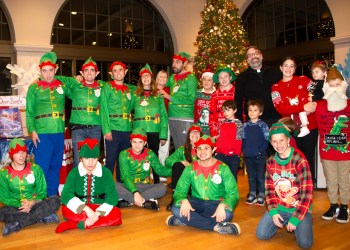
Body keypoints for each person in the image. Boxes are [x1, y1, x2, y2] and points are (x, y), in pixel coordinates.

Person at [166, 135, 241, 236]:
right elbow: (179, 191)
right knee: (175, 208)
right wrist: (183, 200)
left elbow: (233, 193)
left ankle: (186, 220)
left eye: (206, 148)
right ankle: (216, 226)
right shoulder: (190, 168)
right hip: (196, 202)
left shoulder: (223, 168)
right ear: (196, 150)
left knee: (227, 214)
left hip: (216, 203)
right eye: (199, 149)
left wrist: (223, 204)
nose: (202, 152)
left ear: (213, 149)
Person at [256, 123, 313, 249]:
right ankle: (284, 220)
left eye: (282, 140)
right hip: (280, 206)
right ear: (271, 143)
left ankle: (302, 220)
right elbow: (269, 190)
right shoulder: (271, 161)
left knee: (305, 244)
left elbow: (307, 194)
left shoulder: (299, 160)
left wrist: (296, 218)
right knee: (261, 234)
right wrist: (273, 211)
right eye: (274, 141)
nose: (278, 144)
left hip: (300, 207)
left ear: (288, 140)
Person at [56, 138, 122, 233]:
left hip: (99, 207)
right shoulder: (74, 173)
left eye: (94, 158)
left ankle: (77, 224)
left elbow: (113, 196)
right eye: (87, 158)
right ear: (81, 158)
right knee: (65, 210)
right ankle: (93, 222)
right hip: (81, 208)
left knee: (116, 213)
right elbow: (66, 194)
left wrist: (97, 214)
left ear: (98, 158)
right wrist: (86, 209)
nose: (90, 162)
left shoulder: (105, 172)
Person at [26, 52, 69, 196]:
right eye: (44, 71)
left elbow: (77, 88)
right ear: (40, 71)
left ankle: (51, 197)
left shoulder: (62, 85)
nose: (48, 74)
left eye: (51, 70)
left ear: (56, 70)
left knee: (55, 166)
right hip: (42, 132)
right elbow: (29, 112)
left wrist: (79, 78)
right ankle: (39, 197)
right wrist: (32, 130)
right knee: (41, 167)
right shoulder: (34, 88)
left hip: (58, 131)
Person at [271, 57, 318, 185]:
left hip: (310, 127)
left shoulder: (304, 80)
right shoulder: (275, 88)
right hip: (290, 129)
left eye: (292, 66)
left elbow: (316, 94)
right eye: (285, 65)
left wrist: (312, 105)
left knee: (308, 158)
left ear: (295, 68)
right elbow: (281, 109)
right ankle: (294, 186)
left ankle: (308, 186)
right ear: (281, 68)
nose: (288, 69)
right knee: (292, 158)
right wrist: (303, 107)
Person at [0, 139, 60, 236]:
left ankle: (17, 223)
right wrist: (21, 204)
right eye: (17, 152)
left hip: (35, 204)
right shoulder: (3, 174)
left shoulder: (36, 169)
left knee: (55, 200)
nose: (21, 155)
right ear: (11, 154)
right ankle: (41, 217)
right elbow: (4, 197)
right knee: (2, 212)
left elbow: (42, 192)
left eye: (23, 151)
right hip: (16, 207)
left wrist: (32, 202)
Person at [315, 67, 350, 223]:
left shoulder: (349, 104)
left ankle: (344, 206)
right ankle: (333, 205)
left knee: (344, 179)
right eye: (332, 85)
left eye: (337, 85)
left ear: (342, 86)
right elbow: (320, 127)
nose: (335, 89)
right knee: (331, 179)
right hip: (328, 150)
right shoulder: (321, 106)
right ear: (326, 87)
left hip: (346, 150)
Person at [57, 57, 103, 168]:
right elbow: (60, 79)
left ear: (97, 73)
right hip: (78, 129)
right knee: (78, 159)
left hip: (96, 128)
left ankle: (93, 184)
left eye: (92, 70)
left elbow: (119, 86)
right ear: (81, 73)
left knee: (93, 158)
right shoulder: (76, 84)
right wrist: (40, 79)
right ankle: (78, 184)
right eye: (86, 70)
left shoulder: (102, 87)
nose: (89, 73)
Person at [116, 128, 171, 211]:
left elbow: (160, 170)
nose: (137, 145)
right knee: (112, 185)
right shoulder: (123, 154)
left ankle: (129, 201)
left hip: (145, 186)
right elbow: (125, 176)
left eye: (140, 142)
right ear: (130, 142)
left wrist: (175, 170)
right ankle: (143, 202)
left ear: (145, 143)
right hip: (128, 186)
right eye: (134, 142)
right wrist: (135, 192)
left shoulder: (150, 153)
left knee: (163, 187)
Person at [132, 64, 168, 184]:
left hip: (154, 130)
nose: (146, 78)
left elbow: (163, 115)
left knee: (154, 158)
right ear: (141, 80)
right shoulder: (135, 95)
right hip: (139, 132)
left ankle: (157, 183)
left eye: (148, 76)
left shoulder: (158, 95)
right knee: (139, 157)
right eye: (143, 76)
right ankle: (140, 182)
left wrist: (163, 135)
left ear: (151, 78)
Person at [100, 61, 135, 182]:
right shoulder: (107, 87)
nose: (118, 73)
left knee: (123, 162)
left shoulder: (129, 90)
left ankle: (121, 191)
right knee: (110, 161)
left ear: (125, 72)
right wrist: (106, 130)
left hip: (126, 130)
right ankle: (106, 189)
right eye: (115, 70)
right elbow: (103, 109)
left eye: (120, 70)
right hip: (113, 130)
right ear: (111, 74)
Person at [235, 46, 282, 127]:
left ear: (261, 56)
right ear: (247, 60)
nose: (253, 56)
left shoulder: (276, 72)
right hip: (254, 121)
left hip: (277, 118)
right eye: (250, 55)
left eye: (256, 53)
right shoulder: (241, 77)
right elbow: (238, 101)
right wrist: (240, 123)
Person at [164, 124, 202, 210]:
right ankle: (175, 197)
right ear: (189, 136)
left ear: (201, 136)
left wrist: (192, 166)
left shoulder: (204, 149)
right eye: (193, 132)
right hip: (185, 184)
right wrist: (181, 161)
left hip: (198, 183)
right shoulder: (182, 149)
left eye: (197, 133)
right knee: (178, 165)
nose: (195, 135)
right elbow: (167, 161)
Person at [166, 52, 198, 149]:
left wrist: (170, 97)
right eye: (173, 62)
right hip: (171, 117)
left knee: (185, 148)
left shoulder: (191, 78)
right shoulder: (172, 78)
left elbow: (191, 98)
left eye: (178, 62)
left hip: (184, 117)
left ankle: (188, 164)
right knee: (177, 148)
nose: (174, 64)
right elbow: (163, 88)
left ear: (184, 64)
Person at [242, 99, 269, 206]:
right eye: (250, 110)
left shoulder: (263, 125)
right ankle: (252, 194)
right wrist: (244, 151)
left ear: (260, 112)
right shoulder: (245, 125)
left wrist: (259, 151)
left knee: (260, 177)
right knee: (251, 176)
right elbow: (243, 139)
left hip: (259, 156)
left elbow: (267, 140)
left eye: (255, 110)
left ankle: (262, 195)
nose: (252, 112)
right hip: (248, 156)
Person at [297, 60, 327, 137]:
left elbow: (323, 94)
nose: (314, 74)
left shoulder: (323, 83)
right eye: (313, 72)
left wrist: (313, 98)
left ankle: (304, 127)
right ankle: (304, 126)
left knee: (303, 113)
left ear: (324, 73)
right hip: (313, 102)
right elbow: (309, 91)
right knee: (302, 112)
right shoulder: (314, 83)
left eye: (317, 72)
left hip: (319, 103)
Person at [215, 100, 242, 182]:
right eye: (224, 111)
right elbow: (219, 138)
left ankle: (232, 194)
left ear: (235, 110)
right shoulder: (221, 123)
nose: (225, 113)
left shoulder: (238, 124)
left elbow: (239, 140)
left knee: (232, 177)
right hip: (221, 155)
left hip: (233, 157)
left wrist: (237, 154)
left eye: (228, 110)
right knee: (219, 176)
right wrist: (217, 151)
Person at [209, 67, 236, 137]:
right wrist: (214, 132)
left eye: (225, 77)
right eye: (220, 78)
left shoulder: (237, 92)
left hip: (235, 129)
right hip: (219, 131)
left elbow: (242, 112)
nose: (223, 79)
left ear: (230, 77)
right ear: (218, 80)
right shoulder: (214, 94)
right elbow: (212, 114)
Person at [156, 70, 171, 166]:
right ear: (157, 78)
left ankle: (162, 168)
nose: (163, 79)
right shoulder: (152, 90)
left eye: (165, 77)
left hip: (166, 121)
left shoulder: (170, 90)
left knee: (164, 145)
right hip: (154, 121)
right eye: (161, 76)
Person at [194, 69, 215, 135]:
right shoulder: (197, 93)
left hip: (212, 129)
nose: (206, 82)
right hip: (198, 128)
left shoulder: (216, 94)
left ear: (214, 82)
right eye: (204, 79)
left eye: (209, 80)